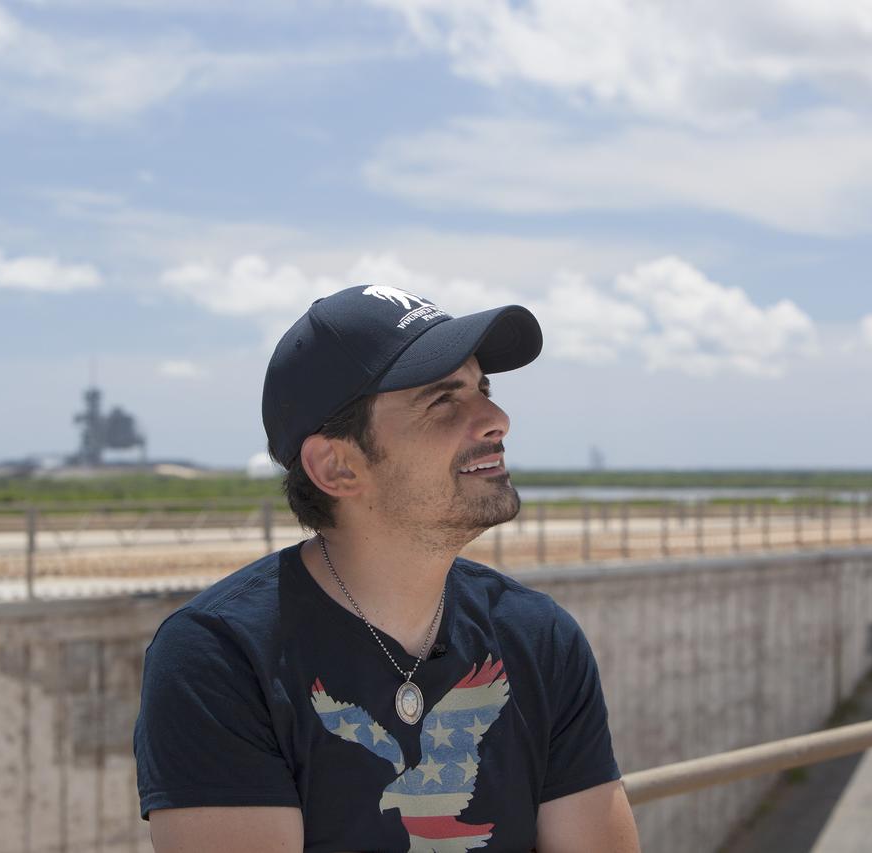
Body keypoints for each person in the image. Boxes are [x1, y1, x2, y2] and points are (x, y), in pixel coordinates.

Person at [134, 284, 640, 852]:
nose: (497, 418)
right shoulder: (220, 657)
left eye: (484, 389)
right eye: (443, 400)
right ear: (338, 466)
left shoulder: (538, 637)